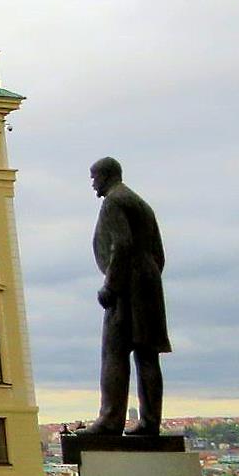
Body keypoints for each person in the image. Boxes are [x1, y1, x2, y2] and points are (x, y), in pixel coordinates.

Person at [80, 157, 171, 436]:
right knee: (147, 355)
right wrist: (148, 279)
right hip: (148, 283)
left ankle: (110, 419)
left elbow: (121, 244)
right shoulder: (141, 204)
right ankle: (150, 422)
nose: (93, 183)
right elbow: (158, 253)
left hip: (126, 286)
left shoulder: (114, 201)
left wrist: (112, 285)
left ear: (106, 176)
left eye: (94, 177)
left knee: (114, 353)